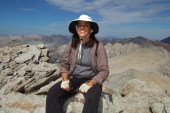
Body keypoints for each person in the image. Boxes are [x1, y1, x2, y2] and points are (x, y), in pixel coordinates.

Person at [46, 14, 109, 113]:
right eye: (79, 25)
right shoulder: (71, 45)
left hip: (91, 81)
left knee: (92, 99)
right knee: (53, 93)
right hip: (73, 79)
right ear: (76, 28)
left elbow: (104, 71)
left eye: (86, 25)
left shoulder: (98, 47)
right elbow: (64, 64)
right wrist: (65, 79)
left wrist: (91, 83)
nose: (82, 27)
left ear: (91, 29)